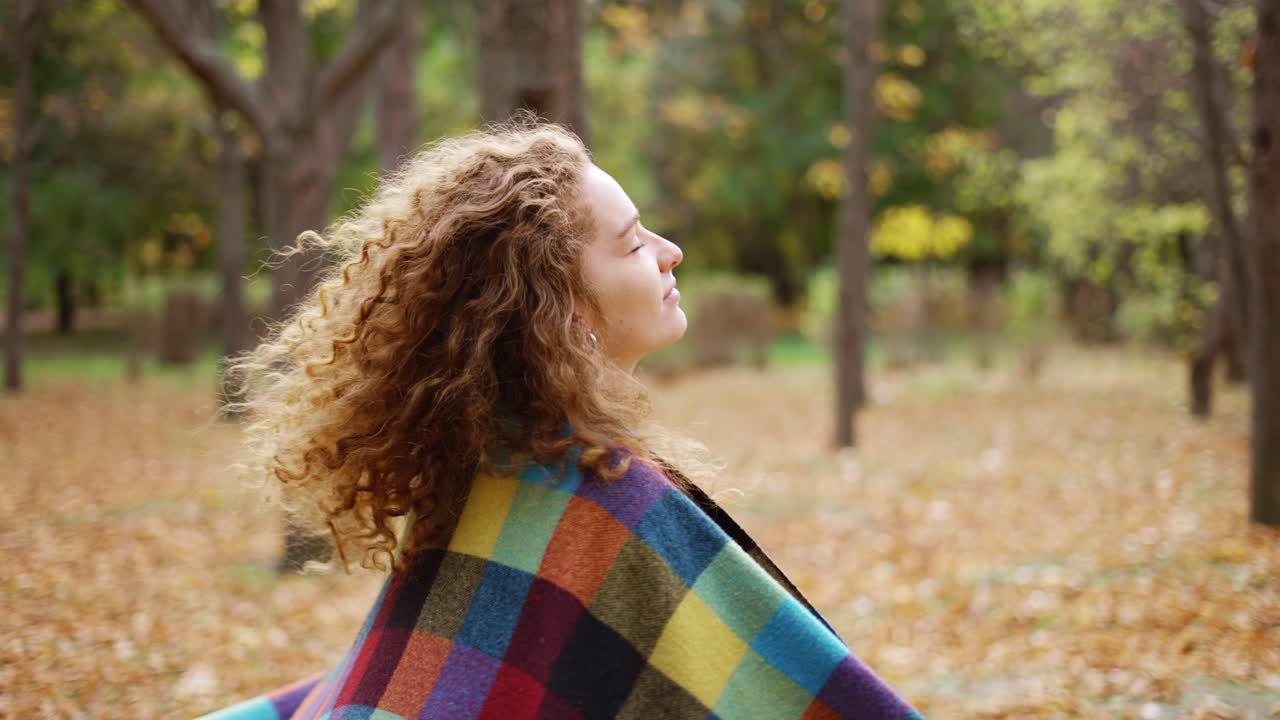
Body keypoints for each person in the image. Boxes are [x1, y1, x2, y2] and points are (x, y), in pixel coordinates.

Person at [208, 120, 924, 719]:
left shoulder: (500, 461)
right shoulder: (601, 497)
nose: (672, 253)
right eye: (636, 242)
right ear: (565, 306)